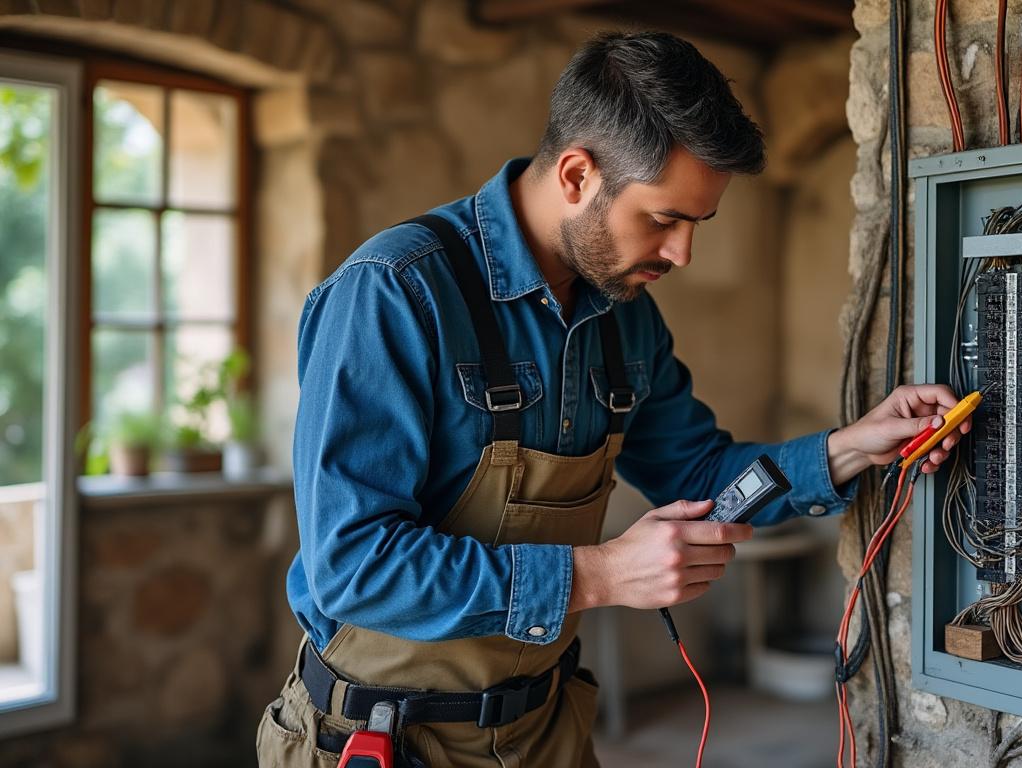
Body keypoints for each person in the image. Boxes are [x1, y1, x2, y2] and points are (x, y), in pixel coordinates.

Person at [256, 30, 969, 768]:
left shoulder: (626, 316)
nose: (682, 254)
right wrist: (598, 574)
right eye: (664, 219)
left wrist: (851, 447)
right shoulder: (394, 294)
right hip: (381, 742)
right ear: (575, 174)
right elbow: (353, 564)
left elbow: (697, 478)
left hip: (548, 732)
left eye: (698, 224)